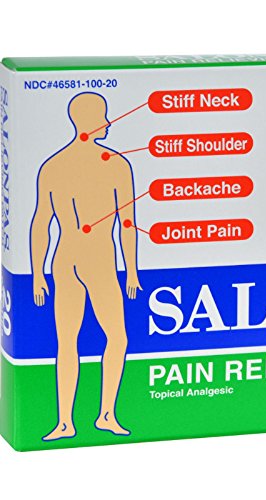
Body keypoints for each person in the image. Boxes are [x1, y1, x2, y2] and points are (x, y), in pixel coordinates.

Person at [30, 92, 141, 441]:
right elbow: (127, 223)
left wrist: (38, 272)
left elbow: (41, 223)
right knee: (117, 337)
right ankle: (105, 414)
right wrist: (131, 270)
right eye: (103, 116)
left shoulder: (52, 166)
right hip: (98, 260)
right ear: (89, 121)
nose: (108, 123)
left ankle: (66, 422)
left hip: (64, 259)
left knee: (67, 341)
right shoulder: (117, 165)